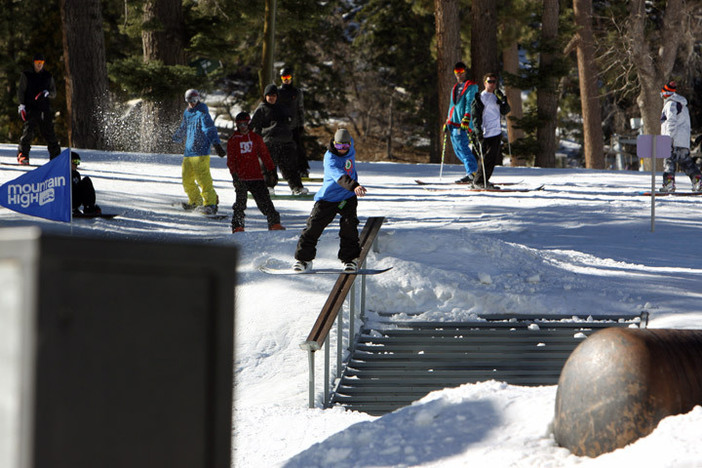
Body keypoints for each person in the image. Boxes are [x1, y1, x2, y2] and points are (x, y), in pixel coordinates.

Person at [293, 128, 367, 273]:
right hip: (328, 198)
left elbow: (346, 137)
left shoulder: (350, 146)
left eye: (346, 146)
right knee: (313, 227)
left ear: (350, 145)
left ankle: (350, 259)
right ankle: (303, 260)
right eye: (339, 146)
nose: (342, 150)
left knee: (349, 227)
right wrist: (354, 186)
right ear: (334, 143)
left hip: (347, 197)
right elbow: (340, 177)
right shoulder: (330, 159)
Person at [226, 111, 285, 233]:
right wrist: (234, 175)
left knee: (265, 201)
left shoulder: (255, 138)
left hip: (256, 175)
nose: (243, 127)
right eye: (240, 124)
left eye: (245, 124)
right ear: (237, 125)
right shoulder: (233, 140)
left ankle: (274, 222)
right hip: (241, 177)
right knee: (240, 203)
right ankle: (237, 225)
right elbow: (231, 159)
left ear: (249, 124)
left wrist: (271, 170)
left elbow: (265, 155)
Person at [172, 89, 226, 214]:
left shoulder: (202, 112)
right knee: (187, 179)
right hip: (188, 152)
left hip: (201, 152)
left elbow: (209, 129)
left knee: (203, 179)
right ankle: (196, 201)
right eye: (190, 101)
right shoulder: (187, 112)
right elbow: (184, 127)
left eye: (195, 100)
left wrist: (216, 144)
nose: (192, 103)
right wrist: (176, 137)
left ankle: (210, 204)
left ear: (199, 99)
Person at [250, 83, 308, 195]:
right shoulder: (262, 109)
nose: (271, 98)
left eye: (274, 95)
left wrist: (292, 133)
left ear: (277, 96)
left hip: (285, 142)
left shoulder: (283, 108)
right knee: (268, 166)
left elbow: (291, 122)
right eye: (269, 95)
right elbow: (254, 126)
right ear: (265, 96)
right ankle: (268, 187)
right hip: (268, 142)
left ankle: (296, 187)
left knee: (290, 166)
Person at [16, 53, 61, 165]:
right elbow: (21, 91)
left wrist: (47, 93)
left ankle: (56, 157)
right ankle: (23, 154)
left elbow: (54, 92)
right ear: (34, 63)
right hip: (31, 107)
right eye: (37, 63)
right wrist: (21, 105)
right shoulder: (27, 75)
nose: (39, 65)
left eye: (41, 63)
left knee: (49, 132)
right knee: (28, 131)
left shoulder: (48, 76)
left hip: (44, 108)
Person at [659, 81, 701, 193]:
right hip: (682, 141)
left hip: (672, 139)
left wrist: (668, 137)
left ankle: (669, 184)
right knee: (686, 163)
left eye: (662, 94)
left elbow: (671, 122)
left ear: (666, 94)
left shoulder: (671, 104)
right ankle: (698, 181)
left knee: (668, 162)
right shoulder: (682, 105)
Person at [471, 73, 511, 189]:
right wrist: (478, 131)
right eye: (490, 82)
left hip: (496, 132)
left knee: (492, 160)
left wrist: (504, 100)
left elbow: (505, 111)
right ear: (484, 83)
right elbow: (475, 116)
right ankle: (478, 181)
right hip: (485, 133)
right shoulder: (480, 98)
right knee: (485, 158)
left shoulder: (495, 97)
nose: (492, 84)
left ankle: (483, 180)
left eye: (494, 82)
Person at [444, 61, 479, 183]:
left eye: (461, 72)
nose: (459, 74)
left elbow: (470, 103)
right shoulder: (455, 87)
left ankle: (473, 172)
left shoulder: (471, 86)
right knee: (457, 149)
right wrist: (448, 119)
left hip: (462, 123)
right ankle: (472, 172)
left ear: (465, 72)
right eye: (456, 72)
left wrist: (467, 117)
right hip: (453, 123)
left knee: (463, 148)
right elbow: (452, 105)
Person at [277, 66, 310, 178]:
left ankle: (303, 169)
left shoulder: (297, 92)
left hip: (294, 125)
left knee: (298, 148)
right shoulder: (277, 92)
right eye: (284, 77)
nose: (286, 80)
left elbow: (300, 109)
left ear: (292, 78)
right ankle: (285, 170)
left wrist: (301, 124)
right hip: (282, 126)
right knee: (281, 148)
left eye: (288, 77)